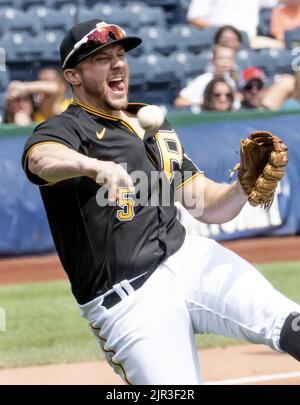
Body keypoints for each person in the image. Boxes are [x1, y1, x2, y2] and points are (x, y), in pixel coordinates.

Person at [22, 20, 300, 385]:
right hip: (128, 298)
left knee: (290, 323)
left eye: (120, 55)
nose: (117, 64)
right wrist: (90, 166)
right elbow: (40, 160)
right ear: (73, 76)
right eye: (102, 58)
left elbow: (207, 205)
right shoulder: (69, 128)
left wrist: (241, 188)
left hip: (188, 258)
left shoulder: (154, 124)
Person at [187, 0, 282, 48]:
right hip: (221, 41)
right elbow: (194, 17)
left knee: (283, 47)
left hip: (250, 40)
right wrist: (221, 31)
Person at [174, 45, 237, 109]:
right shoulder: (203, 80)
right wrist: (205, 103)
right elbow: (179, 101)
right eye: (220, 58)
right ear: (213, 60)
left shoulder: (231, 81)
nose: (225, 62)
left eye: (229, 58)